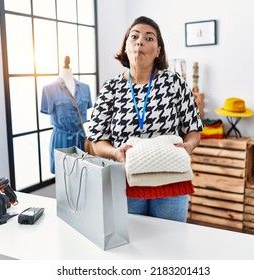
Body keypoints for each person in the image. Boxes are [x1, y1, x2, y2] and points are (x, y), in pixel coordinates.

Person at [87, 16, 203, 222]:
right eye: (134, 37)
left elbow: (193, 129)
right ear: (125, 46)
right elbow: (97, 141)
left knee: (170, 242)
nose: (140, 42)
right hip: (124, 179)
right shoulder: (110, 88)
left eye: (149, 38)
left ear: (158, 50)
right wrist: (114, 152)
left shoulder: (174, 82)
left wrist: (188, 146)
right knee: (130, 246)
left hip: (170, 178)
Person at [41, 56, 92, 173]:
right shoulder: (48, 89)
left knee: (83, 174)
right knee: (62, 176)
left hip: (80, 139)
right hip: (61, 139)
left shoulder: (85, 88)